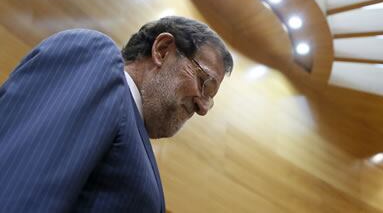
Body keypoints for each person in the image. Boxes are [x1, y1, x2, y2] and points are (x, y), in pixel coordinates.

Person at [0, 16, 233, 212]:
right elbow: (19, 186)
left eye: (210, 98)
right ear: (162, 51)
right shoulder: (95, 58)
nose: (203, 107)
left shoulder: (130, 129)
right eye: (204, 83)